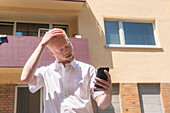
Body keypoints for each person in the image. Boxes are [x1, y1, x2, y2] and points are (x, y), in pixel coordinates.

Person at [20, 28, 112, 113]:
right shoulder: (46, 72)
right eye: (61, 49)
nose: (66, 51)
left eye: (67, 45)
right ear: (52, 53)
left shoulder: (88, 70)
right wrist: (42, 45)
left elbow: (102, 104)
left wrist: (108, 93)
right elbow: (25, 78)